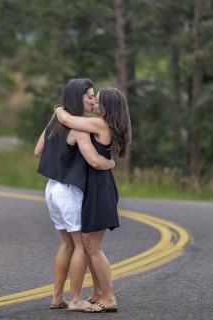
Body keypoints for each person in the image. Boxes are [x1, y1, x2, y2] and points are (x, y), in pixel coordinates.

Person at [34, 78, 115, 312]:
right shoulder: (79, 127)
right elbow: (92, 160)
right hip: (68, 191)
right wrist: (109, 163)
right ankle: (76, 299)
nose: (92, 99)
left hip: (51, 188)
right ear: (76, 98)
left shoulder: (54, 124)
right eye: (89, 95)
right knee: (80, 246)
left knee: (67, 244)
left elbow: (38, 151)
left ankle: (57, 297)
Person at [55, 87, 132, 313]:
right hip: (97, 187)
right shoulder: (102, 123)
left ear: (107, 107)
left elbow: (67, 119)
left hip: (100, 189)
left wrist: (58, 108)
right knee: (89, 246)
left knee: (92, 246)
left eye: (97, 100)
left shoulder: (100, 124)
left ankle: (109, 298)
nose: (93, 103)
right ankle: (98, 293)